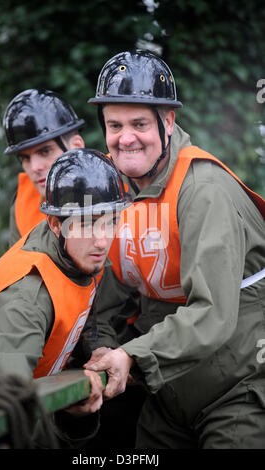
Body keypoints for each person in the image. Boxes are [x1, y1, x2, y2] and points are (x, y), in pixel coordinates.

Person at [83, 50, 265, 449]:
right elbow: (102, 300)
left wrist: (132, 355)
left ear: (168, 121)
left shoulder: (204, 191)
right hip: (165, 396)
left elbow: (213, 313)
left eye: (139, 124)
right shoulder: (116, 192)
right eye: (114, 125)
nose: (125, 137)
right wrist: (100, 345)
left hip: (238, 391)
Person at [0, 148, 131, 448]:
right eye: (86, 223)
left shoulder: (77, 250)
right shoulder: (26, 300)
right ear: (56, 225)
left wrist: (98, 348)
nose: (102, 239)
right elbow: (13, 413)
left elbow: (85, 310)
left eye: (109, 221)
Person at [3, 88, 85, 245]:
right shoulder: (22, 204)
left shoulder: (117, 187)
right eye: (25, 158)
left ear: (76, 146)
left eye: (45, 151)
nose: (34, 167)